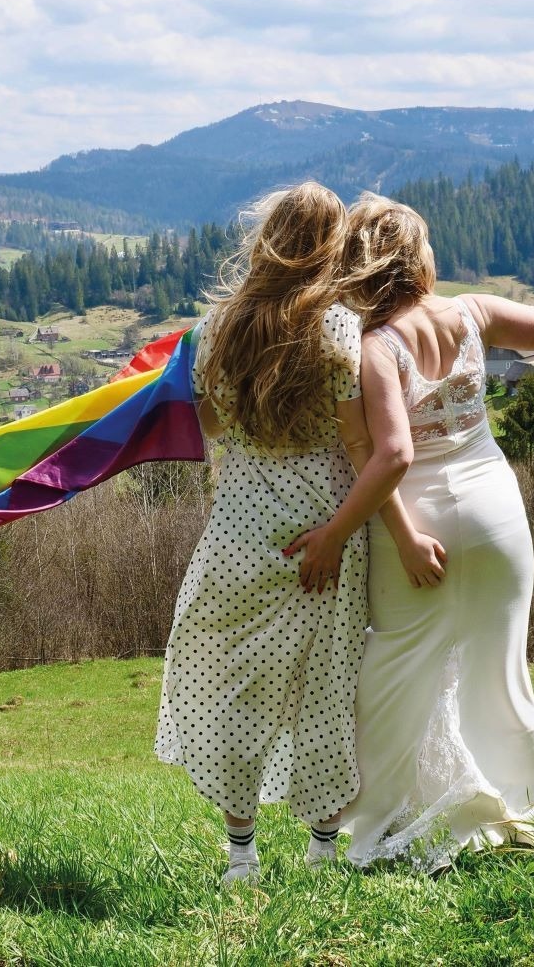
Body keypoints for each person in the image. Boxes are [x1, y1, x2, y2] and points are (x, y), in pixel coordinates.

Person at [330, 192, 534, 870]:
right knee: (502, 667)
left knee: (392, 671)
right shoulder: (473, 312)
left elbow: (388, 457)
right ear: (417, 258)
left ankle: (383, 829)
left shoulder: (375, 347)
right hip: (496, 509)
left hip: (415, 522)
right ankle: (520, 807)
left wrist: (393, 538)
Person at [154, 182, 413, 885]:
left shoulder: (217, 329)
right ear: (331, 246)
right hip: (322, 530)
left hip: (240, 527)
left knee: (229, 682)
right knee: (326, 685)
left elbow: (206, 427)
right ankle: (323, 847)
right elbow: (360, 444)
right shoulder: (336, 326)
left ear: (267, 236)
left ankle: (242, 854)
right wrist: (339, 532)